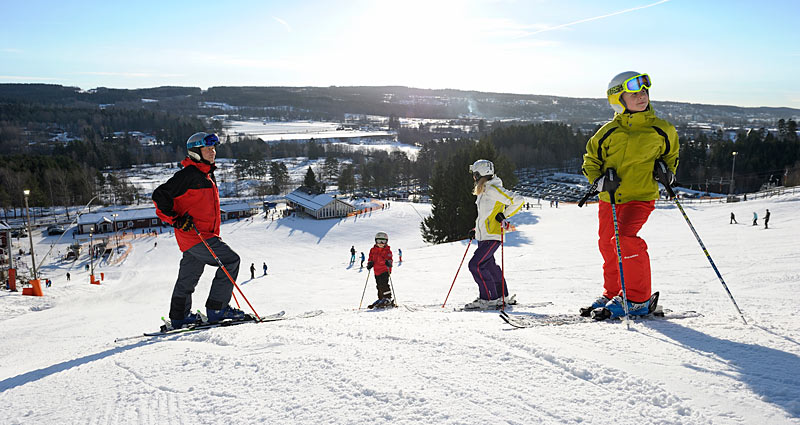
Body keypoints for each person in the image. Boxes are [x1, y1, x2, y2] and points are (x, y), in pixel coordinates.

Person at [580, 71, 679, 320]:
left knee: (623, 238)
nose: (641, 96)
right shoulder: (607, 132)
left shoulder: (662, 129)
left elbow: (671, 157)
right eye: (634, 93)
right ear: (617, 98)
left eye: (644, 91)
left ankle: (638, 299)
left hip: (640, 196)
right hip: (610, 199)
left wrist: (666, 173)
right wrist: (600, 180)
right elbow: (590, 162)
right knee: (608, 246)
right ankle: (613, 292)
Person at [152, 132, 245, 330]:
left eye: (213, 149)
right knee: (231, 260)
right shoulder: (188, 176)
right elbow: (159, 197)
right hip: (198, 236)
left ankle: (179, 317)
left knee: (188, 277)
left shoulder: (206, 175)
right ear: (195, 152)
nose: (213, 152)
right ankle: (217, 309)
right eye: (208, 149)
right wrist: (177, 220)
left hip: (194, 237)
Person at [465, 159, 524, 310]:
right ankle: (501, 296)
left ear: (480, 174)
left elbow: (518, 200)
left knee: (476, 265)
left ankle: (488, 298)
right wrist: (476, 230)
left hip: (492, 235)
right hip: (485, 235)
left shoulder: (492, 189)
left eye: (475, 174)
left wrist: (503, 215)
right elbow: (486, 215)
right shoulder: (485, 190)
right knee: (489, 266)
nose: (473, 177)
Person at [366, 231, 394, 308]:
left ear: (386, 242)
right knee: (378, 285)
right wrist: (370, 263)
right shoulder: (373, 250)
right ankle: (381, 298)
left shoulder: (387, 250)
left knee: (384, 284)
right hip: (377, 271)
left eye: (383, 241)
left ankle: (387, 298)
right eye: (379, 241)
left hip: (385, 270)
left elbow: (390, 258)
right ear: (375, 241)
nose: (381, 243)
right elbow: (370, 258)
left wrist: (389, 262)